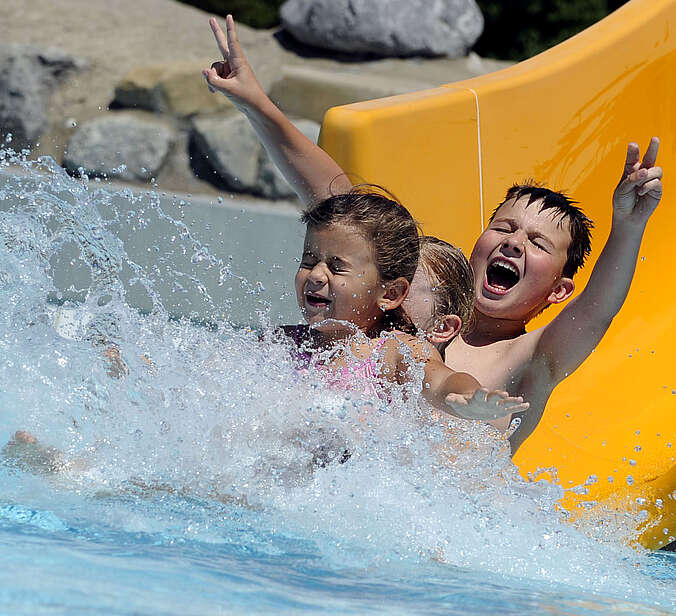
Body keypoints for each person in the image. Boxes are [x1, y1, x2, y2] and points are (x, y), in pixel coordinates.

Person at [202, 16, 663, 451]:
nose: (513, 242)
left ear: (559, 290)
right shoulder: (423, 284)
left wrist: (628, 225)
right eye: (502, 227)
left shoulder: (530, 355)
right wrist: (256, 105)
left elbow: (597, 313)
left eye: (536, 243)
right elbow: (337, 205)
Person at [280, 186, 528, 421]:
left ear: (390, 294)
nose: (315, 275)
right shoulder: (282, 343)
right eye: (309, 262)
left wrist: (467, 396)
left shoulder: (391, 352)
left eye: (337, 267)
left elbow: (439, 380)